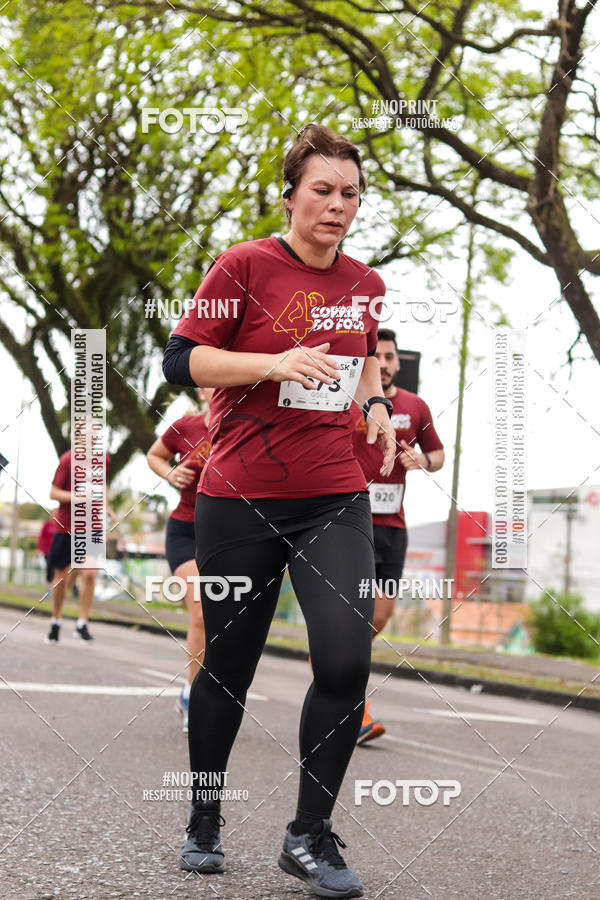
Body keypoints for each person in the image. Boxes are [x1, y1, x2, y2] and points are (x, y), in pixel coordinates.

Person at [162, 123, 395, 899]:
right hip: (240, 496)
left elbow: (361, 361)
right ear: (290, 196)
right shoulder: (244, 266)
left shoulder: (365, 283)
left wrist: (377, 407)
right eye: (322, 190)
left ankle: (308, 834)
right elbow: (180, 359)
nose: (337, 205)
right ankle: (204, 816)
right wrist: (272, 362)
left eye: (350, 193)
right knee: (228, 667)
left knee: (346, 660)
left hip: (333, 492)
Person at [352, 328, 444, 744]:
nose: (386, 364)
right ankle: (354, 709)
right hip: (348, 522)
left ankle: (330, 659)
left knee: (378, 618)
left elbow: (438, 454)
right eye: (380, 357)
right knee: (352, 617)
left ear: (398, 363)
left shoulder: (414, 406)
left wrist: (422, 459)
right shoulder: (350, 400)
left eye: (391, 358)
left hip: (393, 528)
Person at [146, 388, 214, 733]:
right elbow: (155, 455)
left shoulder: (245, 427)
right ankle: (193, 695)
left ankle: (203, 692)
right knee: (201, 611)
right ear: (201, 389)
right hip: (186, 531)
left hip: (228, 536)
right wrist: (171, 473)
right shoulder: (185, 427)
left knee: (224, 619)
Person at [45, 439, 110, 645]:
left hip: (92, 527)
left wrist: (105, 507)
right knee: (61, 579)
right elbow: (53, 493)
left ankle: (82, 623)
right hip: (66, 527)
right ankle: (56, 620)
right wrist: (78, 496)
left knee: (90, 574)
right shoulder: (68, 460)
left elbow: (102, 486)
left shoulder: (103, 460)